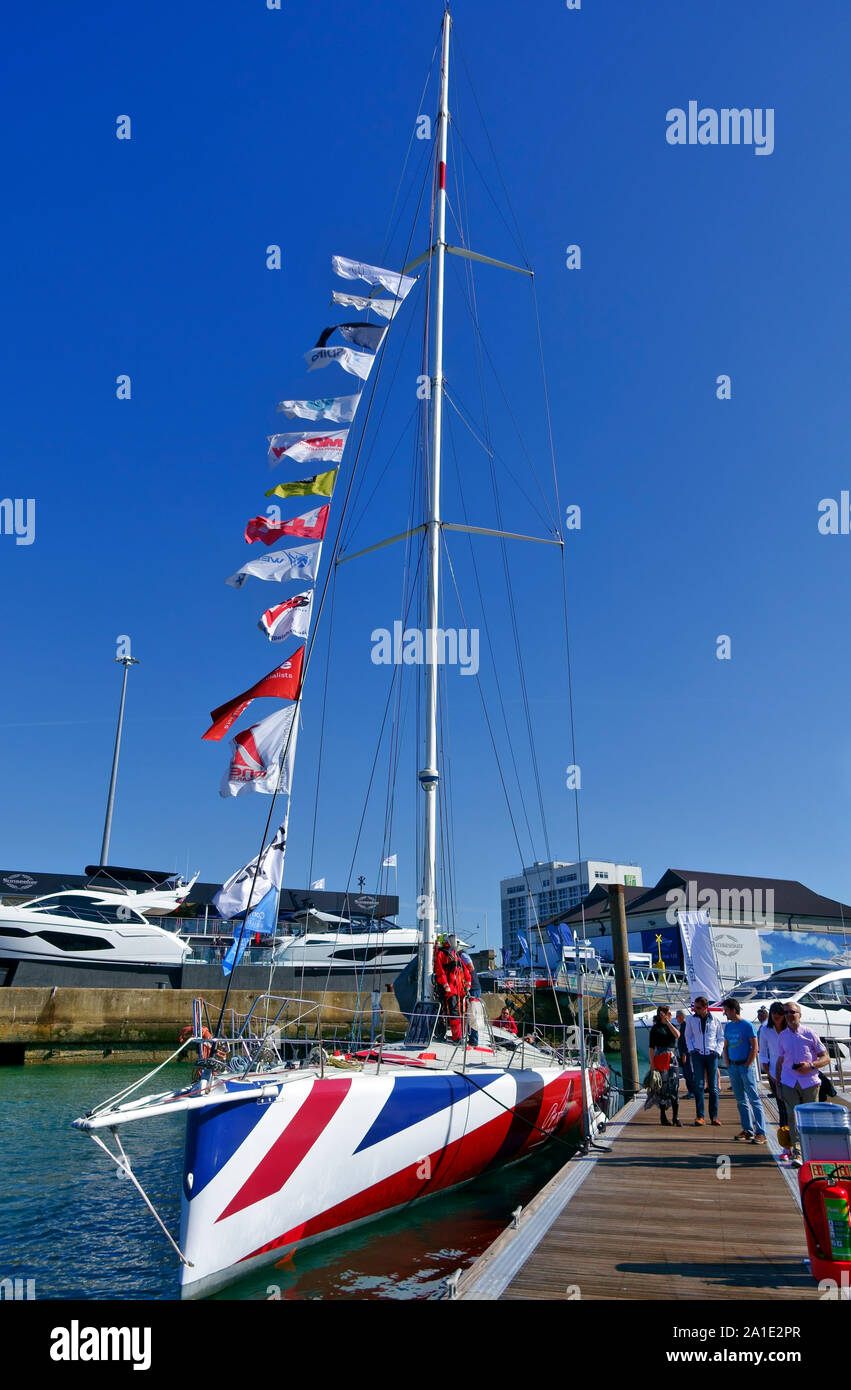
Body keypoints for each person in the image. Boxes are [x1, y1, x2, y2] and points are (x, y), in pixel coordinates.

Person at [774, 1002, 830, 1161]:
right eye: (786, 1012)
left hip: (809, 1082)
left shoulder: (810, 1033)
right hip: (789, 1081)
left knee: (811, 1117)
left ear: (799, 1014)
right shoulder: (782, 1036)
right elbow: (780, 1061)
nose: (789, 1015)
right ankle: (797, 1152)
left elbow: (826, 1058)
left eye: (792, 1011)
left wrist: (811, 1065)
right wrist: (778, 1085)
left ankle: (811, 1151)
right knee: (792, 1116)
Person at [721, 998, 766, 1144]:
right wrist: (727, 1062)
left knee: (753, 1098)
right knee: (741, 1100)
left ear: (734, 1010)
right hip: (733, 1066)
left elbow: (755, 1047)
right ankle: (747, 1130)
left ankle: (761, 1132)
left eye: (726, 1010)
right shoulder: (728, 1027)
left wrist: (748, 1063)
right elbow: (726, 1045)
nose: (725, 1013)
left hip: (745, 1067)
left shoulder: (747, 1026)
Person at [684, 996, 725, 1126]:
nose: (695, 1010)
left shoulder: (715, 1020)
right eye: (694, 1007)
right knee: (699, 1086)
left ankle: (714, 1116)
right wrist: (692, 1050)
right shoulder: (690, 1020)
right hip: (697, 1055)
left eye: (698, 1008)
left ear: (705, 1007)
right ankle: (700, 1116)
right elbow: (688, 1036)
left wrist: (717, 1052)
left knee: (713, 1087)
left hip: (711, 1055)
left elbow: (720, 1038)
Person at [646, 1006, 682, 1125]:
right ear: (662, 1014)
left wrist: (668, 1023)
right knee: (662, 1088)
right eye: (669, 1013)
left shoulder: (671, 1026)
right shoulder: (655, 1029)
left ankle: (675, 1117)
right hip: (660, 1058)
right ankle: (663, 1116)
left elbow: (677, 1035)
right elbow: (651, 1048)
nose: (670, 1015)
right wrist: (652, 1064)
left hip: (672, 1059)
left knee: (674, 1087)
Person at [433, 933, 471, 1042]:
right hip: (451, 990)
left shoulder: (455, 953)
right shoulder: (442, 954)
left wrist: (468, 983)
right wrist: (446, 986)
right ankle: (456, 1037)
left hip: (460, 989)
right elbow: (440, 972)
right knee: (453, 1012)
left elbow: (464, 969)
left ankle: (461, 1035)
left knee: (461, 1012)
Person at [675, 1008, 695, 1098]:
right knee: (687, 1073)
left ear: (682, 1017)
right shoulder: (683, 1025)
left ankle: (692, 1092)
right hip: (684, 1052)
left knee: (688, 1073)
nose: (676, 1018)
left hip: (686, 1053)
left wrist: (684, 1053)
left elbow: (686, 1040)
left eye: (677, 1017)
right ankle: (691, 1091)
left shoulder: (685, 1025)